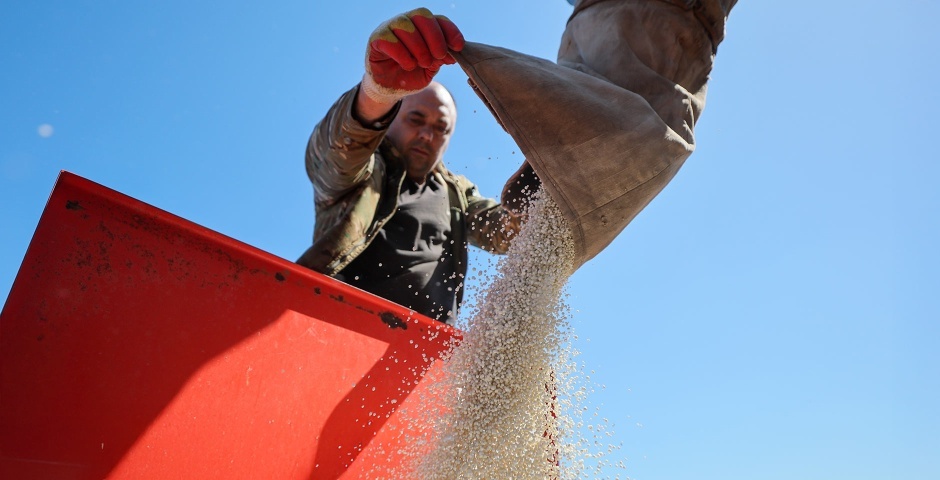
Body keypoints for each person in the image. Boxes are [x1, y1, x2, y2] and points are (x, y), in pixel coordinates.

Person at [297, 8, 522, 325]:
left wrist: (544, 174)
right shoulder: (366, 171)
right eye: (416, 119)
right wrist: (377, 94)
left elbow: (508, 232)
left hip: (424, 355)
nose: (427, 135)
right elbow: (333, 157)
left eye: (441, 128)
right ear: (391, 122)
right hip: (336, 327)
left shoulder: (458, 195)